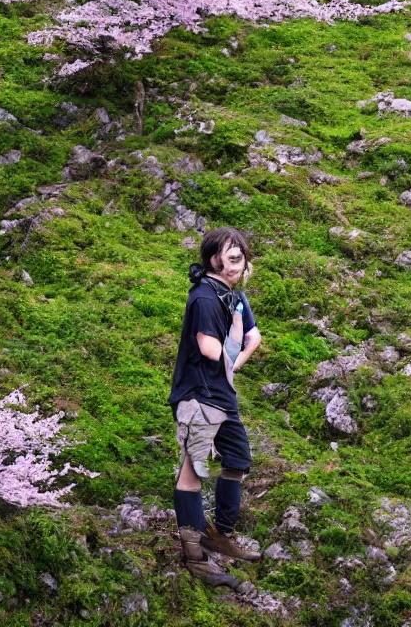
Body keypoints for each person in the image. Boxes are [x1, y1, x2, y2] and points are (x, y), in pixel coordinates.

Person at [169, 227, 263, 587]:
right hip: (198, 395)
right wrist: (230, 355)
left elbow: (254, 337)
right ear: (214, 260)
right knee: (193, 472)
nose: (240, 263)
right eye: (233, 256)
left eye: (242, 256)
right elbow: (209, 348)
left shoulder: (233, 297)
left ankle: (220, 534)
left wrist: (231, 366)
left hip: (222, 393)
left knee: (237, 460)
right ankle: (196, 559)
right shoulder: (206, 298)